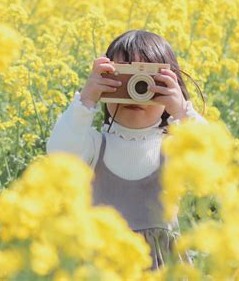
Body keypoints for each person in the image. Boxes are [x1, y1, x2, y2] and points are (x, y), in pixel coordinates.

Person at [46, 29, 208, 271]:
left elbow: (210, 155)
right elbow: (59, 154)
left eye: (148, 81)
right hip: (101, 265)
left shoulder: (174, 146)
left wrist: (182, 111)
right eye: (125, 78)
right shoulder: (93, 144)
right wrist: (86, 99)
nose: (137, 91)